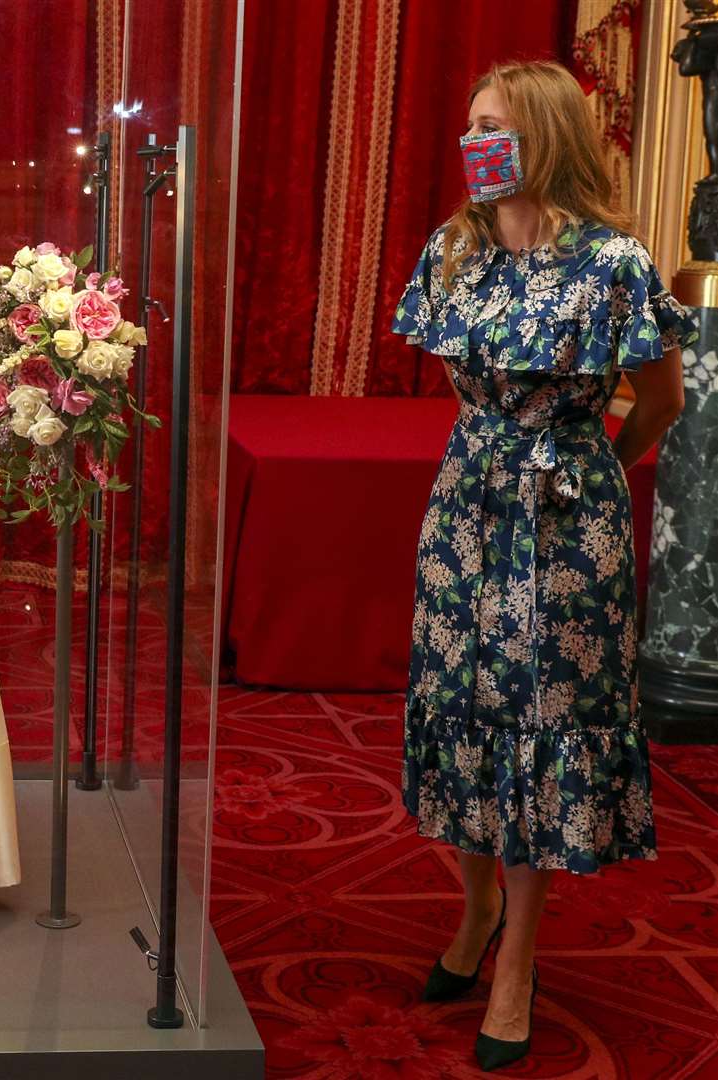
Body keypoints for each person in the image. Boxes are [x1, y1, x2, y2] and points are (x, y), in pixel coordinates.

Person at [390, 59, 694, 1071]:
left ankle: (516, 959)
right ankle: (474, 911)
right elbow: (454, 378)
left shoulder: (613, 262)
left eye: (499, 126)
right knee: (464, 716)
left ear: (547, 137)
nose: (478, 142)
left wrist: (589, 466)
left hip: (566, 522)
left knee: (540, 724)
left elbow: (660, 400)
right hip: (466, 505)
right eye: (472, 123)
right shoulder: (453, 248)